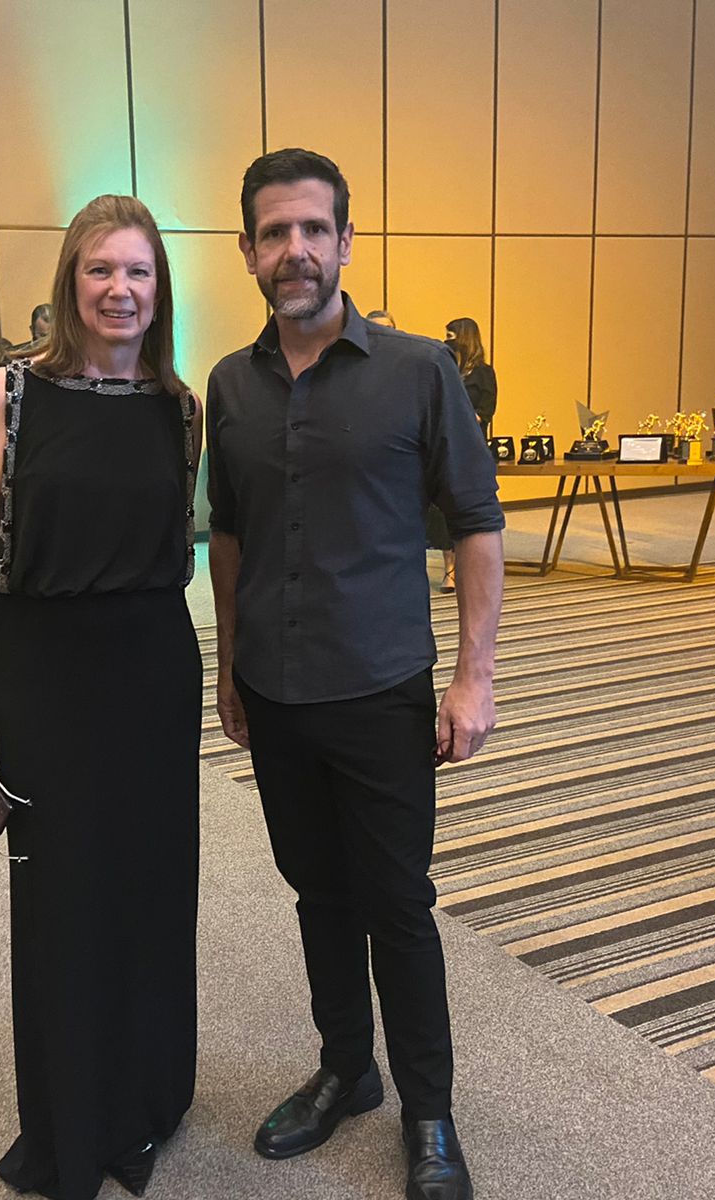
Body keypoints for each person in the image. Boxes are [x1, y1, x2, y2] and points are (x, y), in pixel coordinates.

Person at [207, 148, 503, 1200]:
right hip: (275, 690)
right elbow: (229, 533)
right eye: (273, 233)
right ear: (248, 252)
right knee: (316, 894)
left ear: (344, 241)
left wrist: (474, 677)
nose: (294, 250)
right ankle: (347, 1069)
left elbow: (476, 522)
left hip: (380, 688)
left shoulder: (418, 371)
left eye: (312, 230)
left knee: (396, 905)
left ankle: (429, 1111)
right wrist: (228, 666)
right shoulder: (230, 385)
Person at [0, 193, 203, 1199]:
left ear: (160, 289)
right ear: (70, 280)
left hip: (154, 678)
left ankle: (144, 1100)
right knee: (62, 898)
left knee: (148, 889)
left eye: (138, 270)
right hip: (46, 679)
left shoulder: (179, 407)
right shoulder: (12, 394)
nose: (119, 288)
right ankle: (71, 1119)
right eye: (101, 268)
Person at [427, 317, 498, 592]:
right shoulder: (447, 367)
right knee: (439, 511)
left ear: (465, 338)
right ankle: (450, 569)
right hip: (442, 444)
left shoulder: (484, 373)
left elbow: (486, 411)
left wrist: (457, 416)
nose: (447, 341)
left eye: (451, 336)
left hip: (470, 447)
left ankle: (470, 568)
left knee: (467, 509)